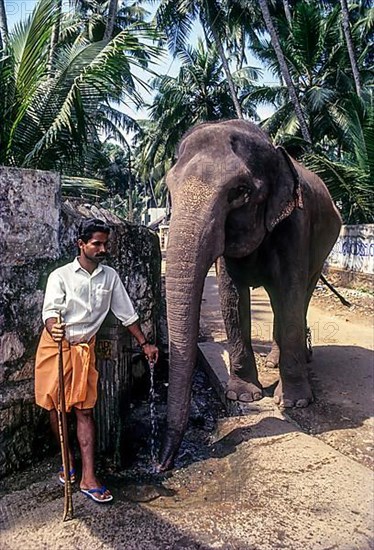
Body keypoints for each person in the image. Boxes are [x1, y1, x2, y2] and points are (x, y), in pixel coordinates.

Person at [35, 218, 158, 503]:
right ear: (81, 244)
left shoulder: (110, 277)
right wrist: (54, 325)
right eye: (97, 244)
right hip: (56, 347)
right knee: (55, 408)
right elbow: (50, 311)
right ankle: (67, 461)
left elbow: (127, 314)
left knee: (85, 410)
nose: (103, 249)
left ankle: (89, 478)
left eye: (105, 244)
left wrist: (145, 344)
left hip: (84, 351)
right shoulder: (60, 276)